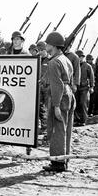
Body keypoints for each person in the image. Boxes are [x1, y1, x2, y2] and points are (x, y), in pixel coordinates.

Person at [43, 32, 75, 172]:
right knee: (66, 129)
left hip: (60, 97)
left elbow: (57, 85)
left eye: (48, 43)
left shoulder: (53, 62)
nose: (46, 46)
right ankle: (64, 159)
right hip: (69, 95)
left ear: (53, 45)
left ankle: (57, 163)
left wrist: (56, 106)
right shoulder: (65, 59)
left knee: (57, 129)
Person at [74, 50, 94, 126]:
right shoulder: (74, 65)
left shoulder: (88, 66)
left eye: (81, 57)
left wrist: (92, 87)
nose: (80, 58)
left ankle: (83, 120)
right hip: (76, 88)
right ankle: (77, 119)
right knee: (76, 104)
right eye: (78, 57)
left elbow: (91, 77)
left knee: (83, 104)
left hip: (85, 88)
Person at [37, 41, 50, 134]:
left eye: (42, 50)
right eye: (39, 50)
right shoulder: (36, 59)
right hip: (38, 87)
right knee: (39, 106)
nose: (40, 52)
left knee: (47, 106)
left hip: (47, 87)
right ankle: (41, 125)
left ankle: (46, 126)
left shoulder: (51, 60)